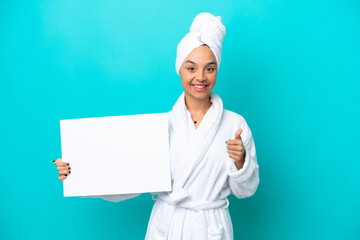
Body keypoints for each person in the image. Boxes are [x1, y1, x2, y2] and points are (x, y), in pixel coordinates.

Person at [53, 12, 259, 240]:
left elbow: (246, 191)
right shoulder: (161, 126)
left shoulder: (235, 124)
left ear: (217, 70)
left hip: (210, 228)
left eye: (209, 68)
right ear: (179, 69)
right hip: (167, 226)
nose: (200, 77)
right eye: (191, 68)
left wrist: (240, 160)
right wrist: (78, 171)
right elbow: (126, 177)